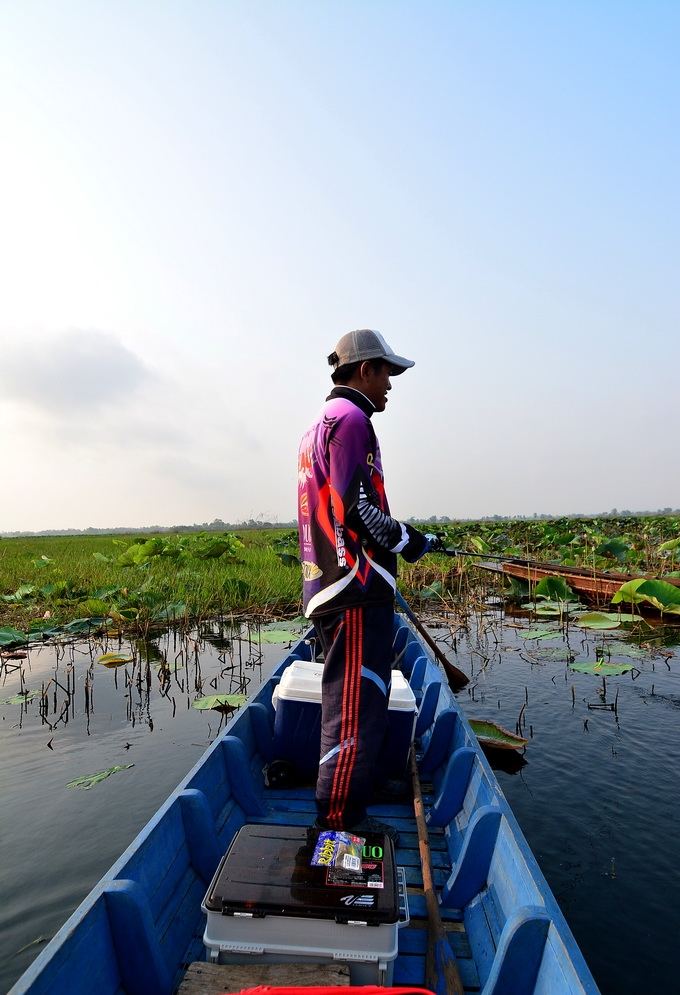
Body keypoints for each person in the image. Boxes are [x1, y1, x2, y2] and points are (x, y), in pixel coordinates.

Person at [297, 329, 437, 841]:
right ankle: (340, 823)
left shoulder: (320, 425)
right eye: (386, 374)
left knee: (356, 702)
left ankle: (350, 799)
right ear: (363, 370)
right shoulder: (352, 420)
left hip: (332, 586)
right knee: (354, 709)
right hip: (353, 587)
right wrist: (410, 540)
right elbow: (354, 509)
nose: (390, 386)